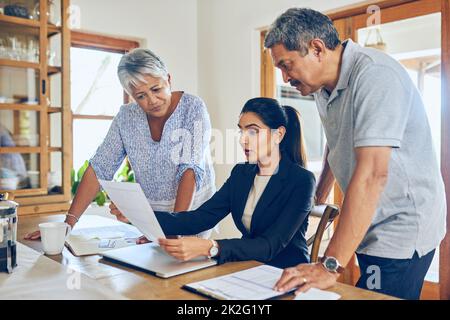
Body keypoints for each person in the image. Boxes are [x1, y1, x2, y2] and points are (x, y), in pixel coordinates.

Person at [264, 8, 446, 299]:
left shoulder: (375, 76)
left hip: (401, 224)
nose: (285, 78)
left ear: (317, 49)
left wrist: (330, 265)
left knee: (373, 294)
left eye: (287, 65)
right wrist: (317, 197)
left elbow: (374, 174)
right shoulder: (324, 87)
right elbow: (335, 144)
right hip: (371, 218)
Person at [25, 48, 216, 240]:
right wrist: (67, 225)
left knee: (189, 266)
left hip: (193, 211)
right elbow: (99, 168)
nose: (152, 100)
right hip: (153, 217)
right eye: (140, 96)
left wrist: (173, 232)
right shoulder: (126, 117)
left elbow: (189, 170)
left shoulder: (193, 108)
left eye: (156, 89)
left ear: (168, 79)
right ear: (130, 95)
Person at [110, 98, 315, 268]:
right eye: (241, 131)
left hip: (287, 272)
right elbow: (200, 218)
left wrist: (210, 246)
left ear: (278, 134)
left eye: (253, 131)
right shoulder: (241, 174)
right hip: (247, 266)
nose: (243, 140)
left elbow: (269, 245)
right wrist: (139, 215)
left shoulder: (301, 181)